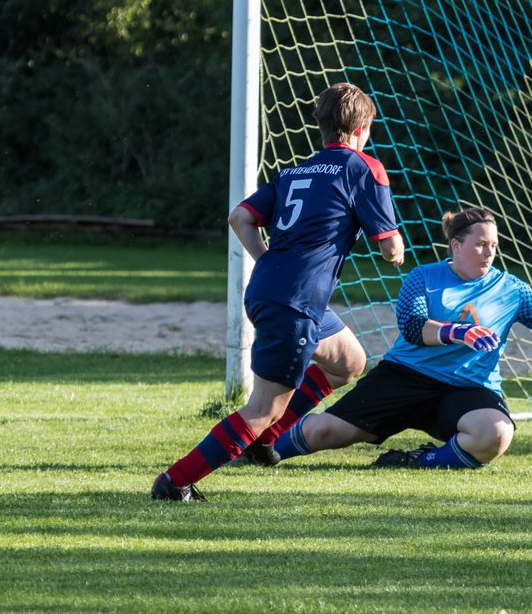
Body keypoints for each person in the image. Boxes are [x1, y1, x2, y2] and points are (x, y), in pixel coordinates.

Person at [152, 82, 405, 500]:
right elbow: (388, 245)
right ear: (362, 129)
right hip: (296, 300)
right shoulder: (364, 167)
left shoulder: (295, 171)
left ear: (321, 128)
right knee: (262, 407)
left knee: (348, 362)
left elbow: (240, 218)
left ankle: (265, 440)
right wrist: (394, 251)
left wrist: (266, 257)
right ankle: (176, 481)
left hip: (275, 289)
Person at [268, 206, 532, 470]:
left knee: (495, 435)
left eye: (494, 246)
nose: (489, 253)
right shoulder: (423, 277)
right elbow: (413, 327)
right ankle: (260, 450)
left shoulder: (511, 289)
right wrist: (459, 332)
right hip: (405, 377)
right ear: (456, 245)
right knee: (321, 431)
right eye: (480, 244)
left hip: (468, 388)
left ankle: (419, 461)